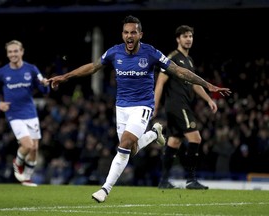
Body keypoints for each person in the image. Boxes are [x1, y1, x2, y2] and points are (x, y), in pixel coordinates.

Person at [48, 15, 230, 202]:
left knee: (124, 144)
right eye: (126, 32)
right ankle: (153, 134)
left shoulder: (151, 53)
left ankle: (105, 189)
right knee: (130, 150)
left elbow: (179, 71)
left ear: (140, 34)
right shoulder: (114, 52)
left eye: (133, 32)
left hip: (143, 105)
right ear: (122, 35)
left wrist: (208, 85)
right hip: (121, 107)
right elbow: (93, 67)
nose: (129, 35)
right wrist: (66, 77)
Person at [154, 25, 219, 189]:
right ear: (178, 39)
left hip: (179, 105)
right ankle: (191, 180)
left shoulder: (189, 61)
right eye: (185, 36)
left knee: (174, 142)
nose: (188, 39)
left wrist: (208, 100)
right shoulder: (172, 58)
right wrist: (154, 106)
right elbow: (160, 82)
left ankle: (163, 181)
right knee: (196, 138)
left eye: (190, 36)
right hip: (177, 105)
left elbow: (195, 84)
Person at [0, 40, 50, 187]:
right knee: (27, 145)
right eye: (10, 52)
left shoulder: (32, 69)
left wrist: (45, 85)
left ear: (21, 51)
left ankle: (27, 178)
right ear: (7, 54)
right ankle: (18, 161)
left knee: (35, 148)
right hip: (14, 114)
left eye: (15, 51)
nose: (13, 54)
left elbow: (44, 91)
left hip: (30, 112)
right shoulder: (2, 72)